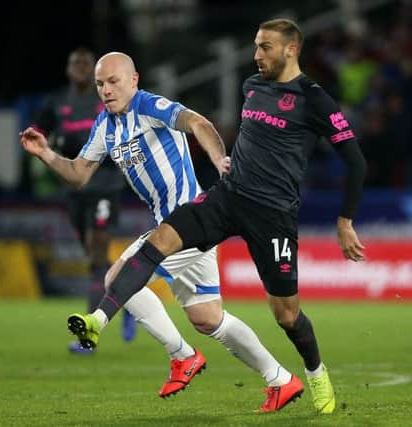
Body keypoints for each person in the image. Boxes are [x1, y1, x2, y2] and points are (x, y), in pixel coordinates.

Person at [66, 19, 368, 415]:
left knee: (286, 315)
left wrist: (344, 221)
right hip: (227, 198)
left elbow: (356, 162)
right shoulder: (252, 87)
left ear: (292, 49)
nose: (257, 55)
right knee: (159, 239)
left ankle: (314, 372)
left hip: (273, 215)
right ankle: (101, 321)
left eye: (266, 48)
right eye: (256, 46)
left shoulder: (314, 99)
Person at [21, 52, 305, 411]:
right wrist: (45, 154)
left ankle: (181, 355)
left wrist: (219, 160)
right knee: (207, 317)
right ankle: (280, 379)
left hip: (192, 220)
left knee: (117, 277)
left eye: (113, 81)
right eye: (99, 84)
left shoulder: (150, 105)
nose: (106, 90)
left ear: (134, 79)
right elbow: (79, 173)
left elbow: (198, 122)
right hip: (172, 229)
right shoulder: (105, 127)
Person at [31, 47, 136, 353]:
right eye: (74, 62)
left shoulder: (106, 99)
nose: (80, 67)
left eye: (85, 64)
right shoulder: (57, 102)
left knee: (96, 258)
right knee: (95, 260)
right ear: (67, 69)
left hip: (105, 186)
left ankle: (89, 333)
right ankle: (128, 299)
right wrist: (39, 144)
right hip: (74, 190)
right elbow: (38, 132)